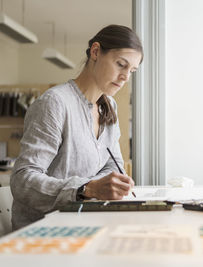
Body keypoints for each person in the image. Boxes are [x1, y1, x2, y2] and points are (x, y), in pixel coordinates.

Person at [10, 25, 143, 230]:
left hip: (83, 221)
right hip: (44, 231)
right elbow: (23, 181)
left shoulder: (109, 106)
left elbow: (111, 165)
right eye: (120, 65)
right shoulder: (55, 103)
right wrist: (88, 189)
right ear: (96, 52)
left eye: (131, 71)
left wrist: (104, 187)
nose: (126, 77)